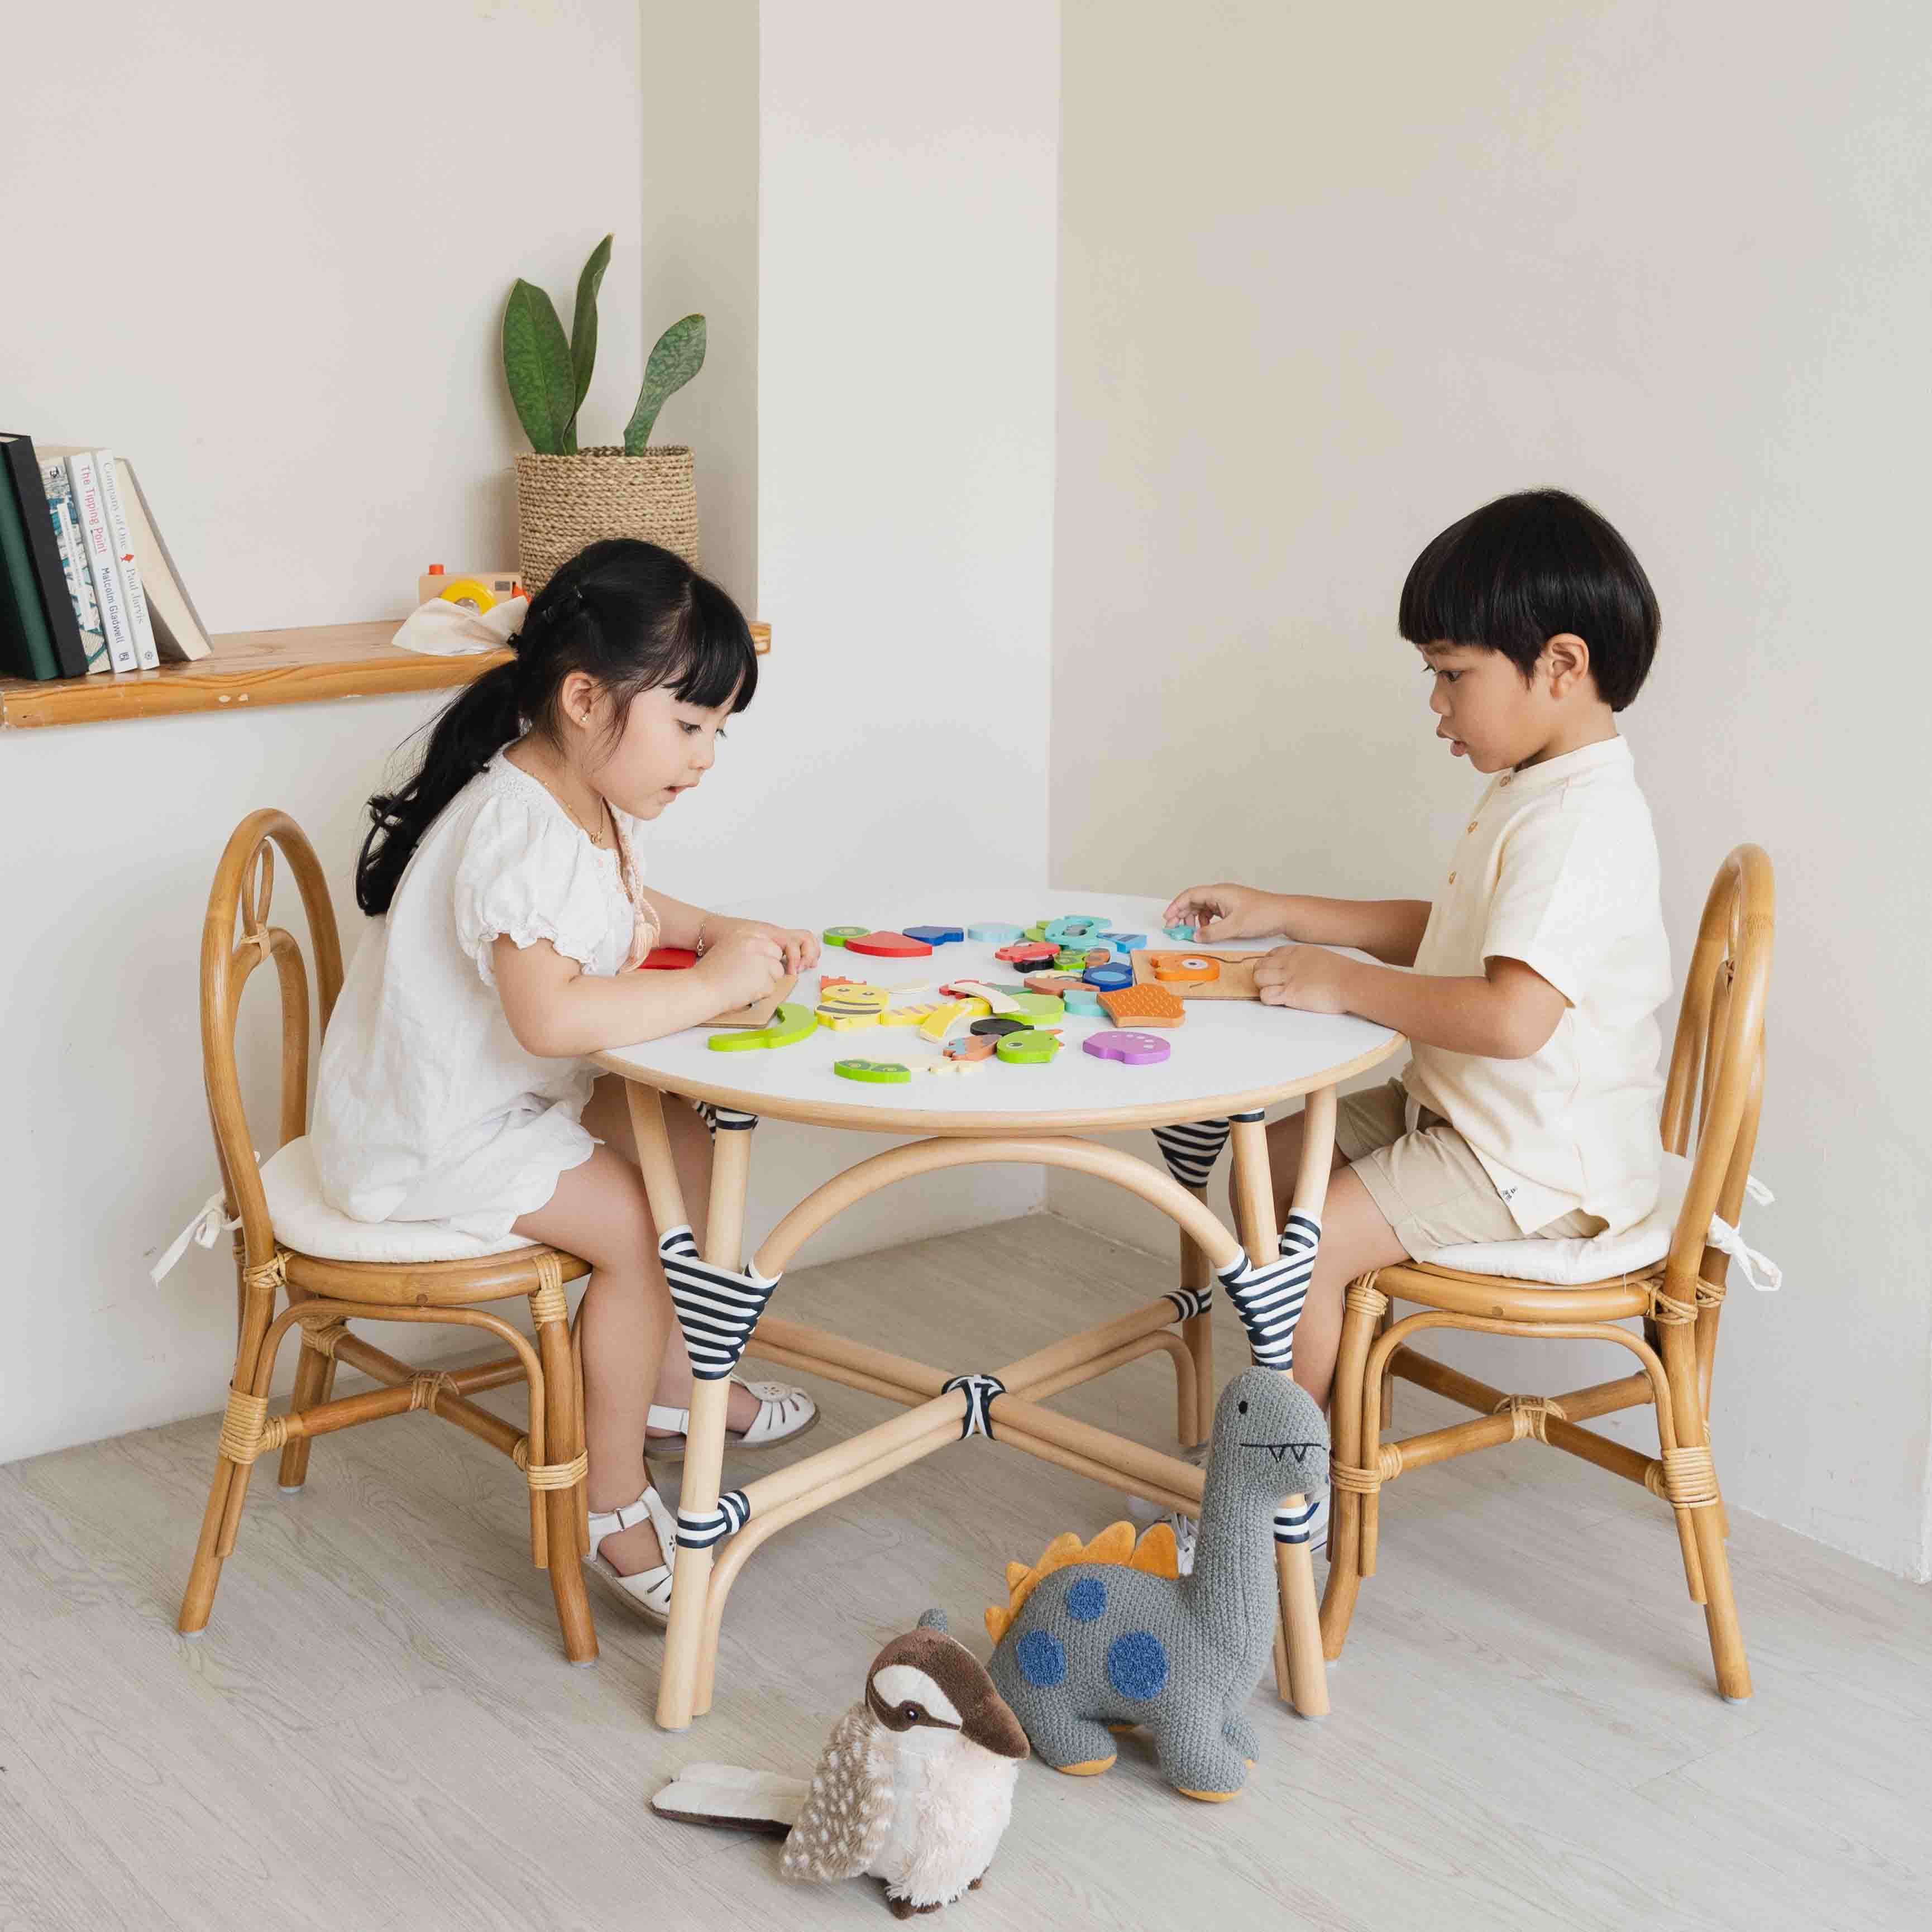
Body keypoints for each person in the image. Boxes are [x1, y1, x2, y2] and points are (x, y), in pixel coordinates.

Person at [312, 538, 820, 1621]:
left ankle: (674, 1390)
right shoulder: (515, 825)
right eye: (689, 726)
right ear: (586, 698)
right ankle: (612, 1500)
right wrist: (714, 983)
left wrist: (720, 931)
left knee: (685, 1128)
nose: (706, 756)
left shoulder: (578, 798)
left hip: (493, 1102)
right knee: (636, 1229)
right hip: (431, 1132)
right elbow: (549, 1017)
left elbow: (626, 913)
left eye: (718, 731)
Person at [1165, 489, 1670, 1548]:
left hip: (1527, 1160)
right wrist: (1291, 913)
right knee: (1275, 1163)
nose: (1437, 705)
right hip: (1469, 1117)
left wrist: (1343, 983)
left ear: (1560, 666)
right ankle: (1316, 1421)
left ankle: (1268, 1506)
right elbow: (1449, 932)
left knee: (1296, 1245)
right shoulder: (1540, 786)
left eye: (1452, 675)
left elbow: (1513, 1016)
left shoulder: (1581, 822)